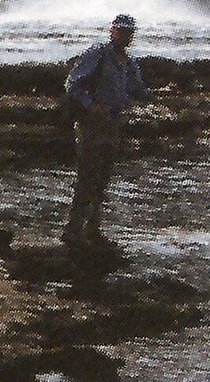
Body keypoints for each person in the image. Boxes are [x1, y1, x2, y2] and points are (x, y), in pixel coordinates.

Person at [62, 13, 154, 247]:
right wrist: (92, 107)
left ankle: (93, 230)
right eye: (120, 31)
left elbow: (137, 91)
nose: (124, 35)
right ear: (112, 31)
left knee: (102, 178)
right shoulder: (98, 54)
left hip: (113, 125)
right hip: (91, 126)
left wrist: (161, 94)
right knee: (86, 177)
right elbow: (73, 83)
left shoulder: (129, 64)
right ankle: (73, 231)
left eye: (128, 32)